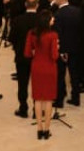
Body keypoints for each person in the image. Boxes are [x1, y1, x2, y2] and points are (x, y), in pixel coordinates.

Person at [24, 10, 58, 139]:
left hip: (36, 67)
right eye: (52, 18)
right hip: (49, 68)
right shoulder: (53, 35)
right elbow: (54, 55)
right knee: (48, 99)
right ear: (47, 21)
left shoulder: (31, 34)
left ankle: (39, 129)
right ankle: (47, 129)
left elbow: (27, 53)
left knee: (37, 99)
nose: (53, 20)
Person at [9, 0, 39, 119]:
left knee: (22, 84)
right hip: (38, 57)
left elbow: (11, 38)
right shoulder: (41, 20)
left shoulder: (17, 20)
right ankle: (36, 109)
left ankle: (23, 108)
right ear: (37, 5)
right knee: (38, 84)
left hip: (21, 56)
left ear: (25, 4)